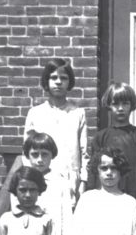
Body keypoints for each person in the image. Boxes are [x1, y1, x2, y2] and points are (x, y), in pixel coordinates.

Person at [23, 56, 88, 202]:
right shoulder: (35, 113)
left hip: (69, 180)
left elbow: (84, 153)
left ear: (69, 82)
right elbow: (26, 152)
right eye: (53, 78)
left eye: (63, 78)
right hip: (41, 180)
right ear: (46, 81)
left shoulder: (78, 113)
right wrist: (30, 180)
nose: (58, 82)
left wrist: (83, 182)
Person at [89, 80, 136, 216]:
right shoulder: (101, 137)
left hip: (134, 190)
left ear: (131, 106)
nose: (120, 108)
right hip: (107, 192)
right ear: (108, 105)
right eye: (115, 104)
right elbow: (93, 169)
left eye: (125, 104)